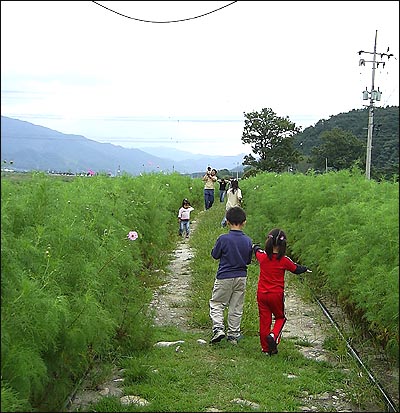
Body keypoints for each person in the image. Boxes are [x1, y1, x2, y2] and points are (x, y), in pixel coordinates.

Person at [253, 228, 312, 355]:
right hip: (276, 295)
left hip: (262, 294)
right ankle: (273, 336)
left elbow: (256, 251)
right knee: (280, 317)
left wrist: (255, 247)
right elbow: (296, 269)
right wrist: (305, 269)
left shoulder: (262, 257)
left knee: (264, 320)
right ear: (283, 245)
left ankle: (265, 349)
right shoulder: (284, 260)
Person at [209, 206, 253, 345]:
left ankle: (218, 328)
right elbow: (247, 260)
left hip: (224, 276)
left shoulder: (223, 239)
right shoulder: (248, 241)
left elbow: (215, 255)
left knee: (217, 303)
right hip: (241, 276)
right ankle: (233, 334)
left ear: (227, 222)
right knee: (236, 305)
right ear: (244, 222)